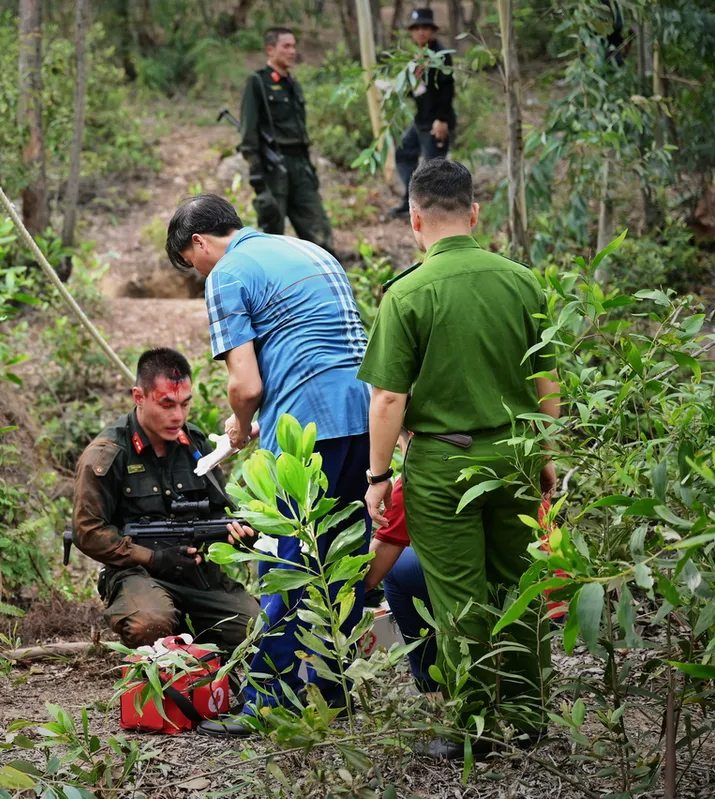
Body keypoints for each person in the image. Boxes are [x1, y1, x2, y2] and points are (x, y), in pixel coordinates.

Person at [358, 159, 560, 759]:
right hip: (517, 457)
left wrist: (378, 477)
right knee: (521, 586)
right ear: (475, 214)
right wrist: (545, 453)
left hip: (445, 467)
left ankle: (475, 725)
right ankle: (527, 717)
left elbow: (389, 397)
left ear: (415, 220)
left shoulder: (408, 293)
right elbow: (547, 379)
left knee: (459, 597)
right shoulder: (524, 282)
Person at [165, 195, 371, 735]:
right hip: (365, 418)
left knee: (288, 561)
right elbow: (324, 350)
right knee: (340, 558)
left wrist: (239, 422)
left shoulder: (227, 273)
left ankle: (269, 702)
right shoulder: (308, 249)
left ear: (199, 244)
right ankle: (334, 690)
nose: (199, 274)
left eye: (192, 265)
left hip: (306, 433)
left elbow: (246, 384)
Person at [72, 348, 260, 652]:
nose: (177, 416)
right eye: (167, 404)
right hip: (135, 573)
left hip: (196, 574)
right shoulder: (108, 453)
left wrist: (236, 537)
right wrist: (154, 558)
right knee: (151, 624)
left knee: (257, 630)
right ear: (139, 396)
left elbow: (219, 512)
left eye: (185, 404)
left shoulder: (194, 443)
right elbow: (87, 531)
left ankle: (193, 637)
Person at [238, 26, 334, 253]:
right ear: (270, 50)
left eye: (294, 46)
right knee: (273, 236)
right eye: (286, 46)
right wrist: (258, 179)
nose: (292, 51)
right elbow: (248, 134)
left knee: (319, 232)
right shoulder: (258, 82)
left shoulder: (294, 85)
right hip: (274, 168)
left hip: (300, 166)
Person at [362, 431, 438, 694]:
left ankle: (433, 687)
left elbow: (372, 572)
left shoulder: (423, 468)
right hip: (546, 589)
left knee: (397, 568)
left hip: (482, 583)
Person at [386, 9, 457, 220]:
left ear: (433, 31)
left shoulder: (440, 56)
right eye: (417, 28)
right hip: (420, 121)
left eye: (425, 28)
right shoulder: (414, 57)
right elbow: (414, 89)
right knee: (403, 153)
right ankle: (411, 202)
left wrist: (442, 120)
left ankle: (433, 213)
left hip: (436, 123)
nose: (421, 33)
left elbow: (447, 90)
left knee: (433, 169)